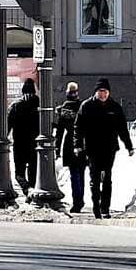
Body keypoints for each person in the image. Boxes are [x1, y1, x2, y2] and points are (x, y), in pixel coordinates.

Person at [76, 78, 134, 218]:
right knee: (94, 178)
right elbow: (78, 128)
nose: (103, 95)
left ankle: (105, 208)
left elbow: (122, 129)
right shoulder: (86, 106)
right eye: (101, 92)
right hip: (92, 148)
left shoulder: (114, 107)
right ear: (96, 92)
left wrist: (129, 146)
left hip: (110, 148)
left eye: (105, 92)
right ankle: (96, 206)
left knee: (107, 177)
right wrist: (77, 145)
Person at [54, 81, 86, 213]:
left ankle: (77, 202)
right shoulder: (83, 106)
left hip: (69, 144)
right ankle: (80, 199)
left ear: (67, 94)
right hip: (83, 143)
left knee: (74, 174)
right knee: (81, 173)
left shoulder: (63, 109)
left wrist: (57, 148)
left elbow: (60, 131)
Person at [8, 77, 40, 194]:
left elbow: (8, 124)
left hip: (20, 144)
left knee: (19, 174)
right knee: (33, 172)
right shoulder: (40, 104)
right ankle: (31, 191)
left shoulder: (16, 105)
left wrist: (4, 138)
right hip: (35, 144)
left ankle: (26, 189)